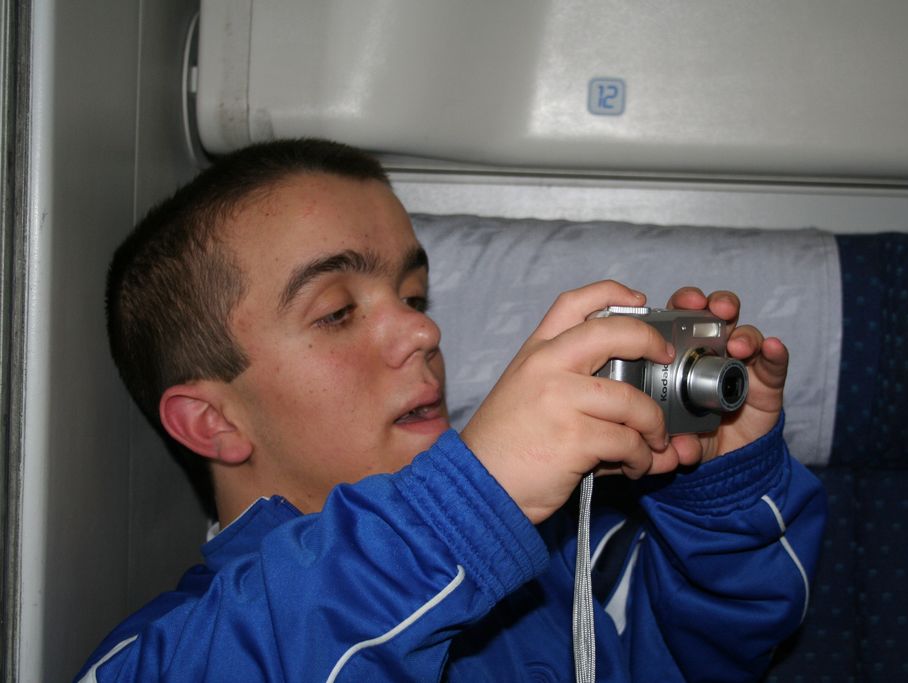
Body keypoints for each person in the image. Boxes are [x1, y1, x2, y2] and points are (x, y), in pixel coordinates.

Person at [77, 138, 826, 682]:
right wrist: (464, 508)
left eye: (413, 296)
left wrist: (720, 497)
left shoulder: (560, 553)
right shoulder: (172, 648)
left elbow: (702, 658)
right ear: (213, 422)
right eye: (337, 311)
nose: (422, 331)